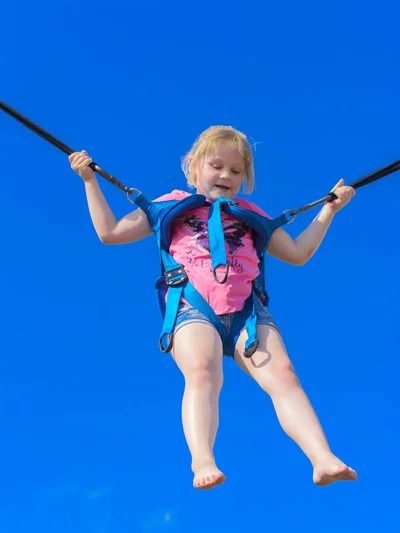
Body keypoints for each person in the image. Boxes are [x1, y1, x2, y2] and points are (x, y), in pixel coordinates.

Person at [69, 125, 358, 491]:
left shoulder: (250, 213)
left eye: (236, 171)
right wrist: (89, 182)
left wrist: (329, 210)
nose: (226, 176)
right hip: (192, 306)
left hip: (247, 314)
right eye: (217, 165)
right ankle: (202, 459)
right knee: (203, 373)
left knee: (284, 375)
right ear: (193, 166)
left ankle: (322, 458)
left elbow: (298, 253)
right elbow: (110, 232)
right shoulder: (168, 205)